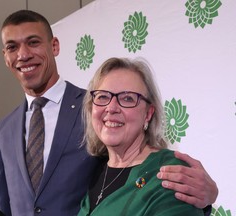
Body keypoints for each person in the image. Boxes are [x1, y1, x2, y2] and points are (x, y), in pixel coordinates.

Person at [0, 10, 217, 216]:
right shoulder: (2, 131)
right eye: (12, 47)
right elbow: (2, 206)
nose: (23, 54)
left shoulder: (92, 107)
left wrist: (207, 197)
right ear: (4, 56)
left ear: (54, 46)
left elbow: (162, 185)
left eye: (33, 42)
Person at [77, 57, 210, 216]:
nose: (111, 108)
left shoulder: (172, 173)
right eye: (103, 97)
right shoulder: (93, 169)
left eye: (127, 98)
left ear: (148, 114)